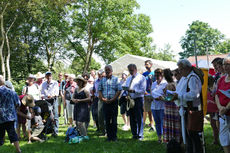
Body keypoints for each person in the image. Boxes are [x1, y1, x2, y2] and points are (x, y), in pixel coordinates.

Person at [174, 59, 203, 153]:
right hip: (184, 109)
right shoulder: (184, 78)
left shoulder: (193, 78)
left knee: (192, 134)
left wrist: (178, 96)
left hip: (191, 110)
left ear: (187, 68)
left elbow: (194, 94)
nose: (179, 71)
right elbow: (179, 91)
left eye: (181, 69)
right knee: (187, 135)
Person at [99, 65, 122, 141]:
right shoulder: (102, 80)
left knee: (114, 120)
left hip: (114, 102)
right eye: (106, 70)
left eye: (109, 70)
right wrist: (102, 98)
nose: (107, 71)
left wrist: (113, 99)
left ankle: (114, 136)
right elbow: (99, 90)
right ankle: (109, 136)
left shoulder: (116, 79)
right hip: (105, 102)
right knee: (107, 120)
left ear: (112, 71)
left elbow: (119, 90)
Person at [0, 75, 21, 153]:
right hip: (10, 117)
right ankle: (18, 150)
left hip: (0, 117)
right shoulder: (12, 92)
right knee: (12, 134)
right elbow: (18, 104)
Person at [125, 64, 146, 141]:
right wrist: (127, 94)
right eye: (129, 70)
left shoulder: (141, 78)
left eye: (132, 70)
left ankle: (140, 135)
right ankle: (134, 134)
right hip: (130, 100)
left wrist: (134, 91)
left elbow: (143, 90)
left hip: (138, 99)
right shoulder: (129, 78)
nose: (130, 72)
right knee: (132, 117)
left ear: (135, 69)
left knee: (139, 117)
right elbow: (126, 87)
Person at [215, 57, 230, 153]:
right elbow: (217, 94)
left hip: (228, 111)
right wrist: (220, 107)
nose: (225, 66)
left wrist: (227, 108)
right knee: (224, 138)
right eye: (224, 64)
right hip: (223, 114)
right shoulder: (221, 79)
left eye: (227, 64)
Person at [162, 69, 181, 143]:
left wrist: (163, 97)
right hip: (171, 106)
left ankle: (172, 139)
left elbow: (170, 97)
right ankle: (174, 139)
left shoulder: (171, 84)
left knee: (172, 122)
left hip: (172, 105)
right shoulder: (173, 83)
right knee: (172, 122)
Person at [72, 75, 91, 140]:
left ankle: (85, 136)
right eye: (77, 81)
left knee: (80, 122)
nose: (78, 82)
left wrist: (80, 100)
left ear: (82, 82)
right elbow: (73, 97)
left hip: (83, 107)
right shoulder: (76, 89)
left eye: (79, 81)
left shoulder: (85, 90)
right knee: (77, 122)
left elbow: (89, 99)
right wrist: (74, 100)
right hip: (77, 107)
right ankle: (80, 135)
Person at [151, 68, 167, 143]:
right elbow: (152, 93)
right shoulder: (153, 83)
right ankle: (159, 137)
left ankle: (165, 137)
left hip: (162, 106)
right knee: (157, 123)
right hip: (154, 106)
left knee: (163, 122)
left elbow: (167, 95)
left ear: (162, 75)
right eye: (156, 75)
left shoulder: (165, 83)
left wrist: (160, 97)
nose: (157, 76)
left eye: (158, 75)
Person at [41, 72, 59, 137]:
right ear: (45, 77)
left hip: (54, 100)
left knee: (55, 115)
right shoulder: (43, 84)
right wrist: (45, 96)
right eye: (47, 76)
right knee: (47, 115)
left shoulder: (55, 83)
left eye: (50, 76)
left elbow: (57, 92)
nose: (49, 77)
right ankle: (48, 130)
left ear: (51, 76)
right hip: (47, 101)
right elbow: (42, 93)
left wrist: (52, 95)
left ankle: (56, 131)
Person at [142, 60, 155, 131]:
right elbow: (142, 84)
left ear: (151, 64)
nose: (146, 66)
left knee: (154, 110)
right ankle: (152, 125)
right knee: (148, 110)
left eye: (147, 64)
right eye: (145, 65)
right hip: (146, 94)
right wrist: (144, 92)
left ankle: (155, 125)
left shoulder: (155, 73)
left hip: (154, 94)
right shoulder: (144, 74)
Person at [207, 76, 219, 145]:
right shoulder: (208, 88)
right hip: (212, 109)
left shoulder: (215, 87)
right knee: (213, 125)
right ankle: (216, 140)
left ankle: (216, 140)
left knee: (215, 125)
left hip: (216, 109)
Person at [97, 70, 106, 136]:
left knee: (106, 117)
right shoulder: (99, 82)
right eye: (101, 76)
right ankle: (103, 131)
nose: (102, 77)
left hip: (107, 100)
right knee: (100, 116)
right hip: (100, 100)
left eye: (103, 76)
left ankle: (106, 131)